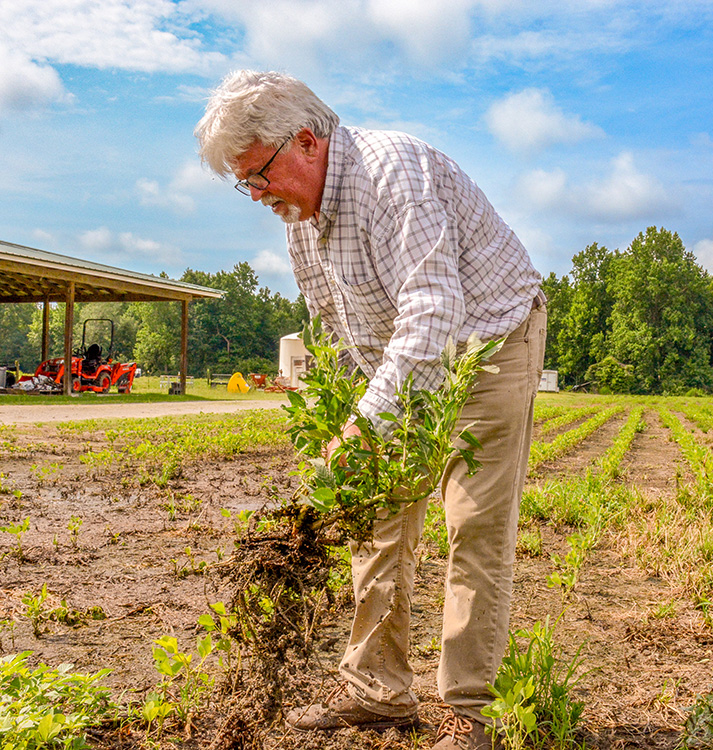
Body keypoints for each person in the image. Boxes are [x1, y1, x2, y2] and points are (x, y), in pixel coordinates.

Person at [196, 70, 546, 750]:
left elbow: (435, 310)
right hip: (406, 356)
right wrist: (345, 416)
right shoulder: (300, 219)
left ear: (306, 141)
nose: (258, 195)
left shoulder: (394, 175)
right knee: (379, 515)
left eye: (259, 175)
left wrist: (369, 421)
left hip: (489, 339)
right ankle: (378, 691)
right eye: (246, 184)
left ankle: (474, 716)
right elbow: (336, 323)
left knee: (473, 524)